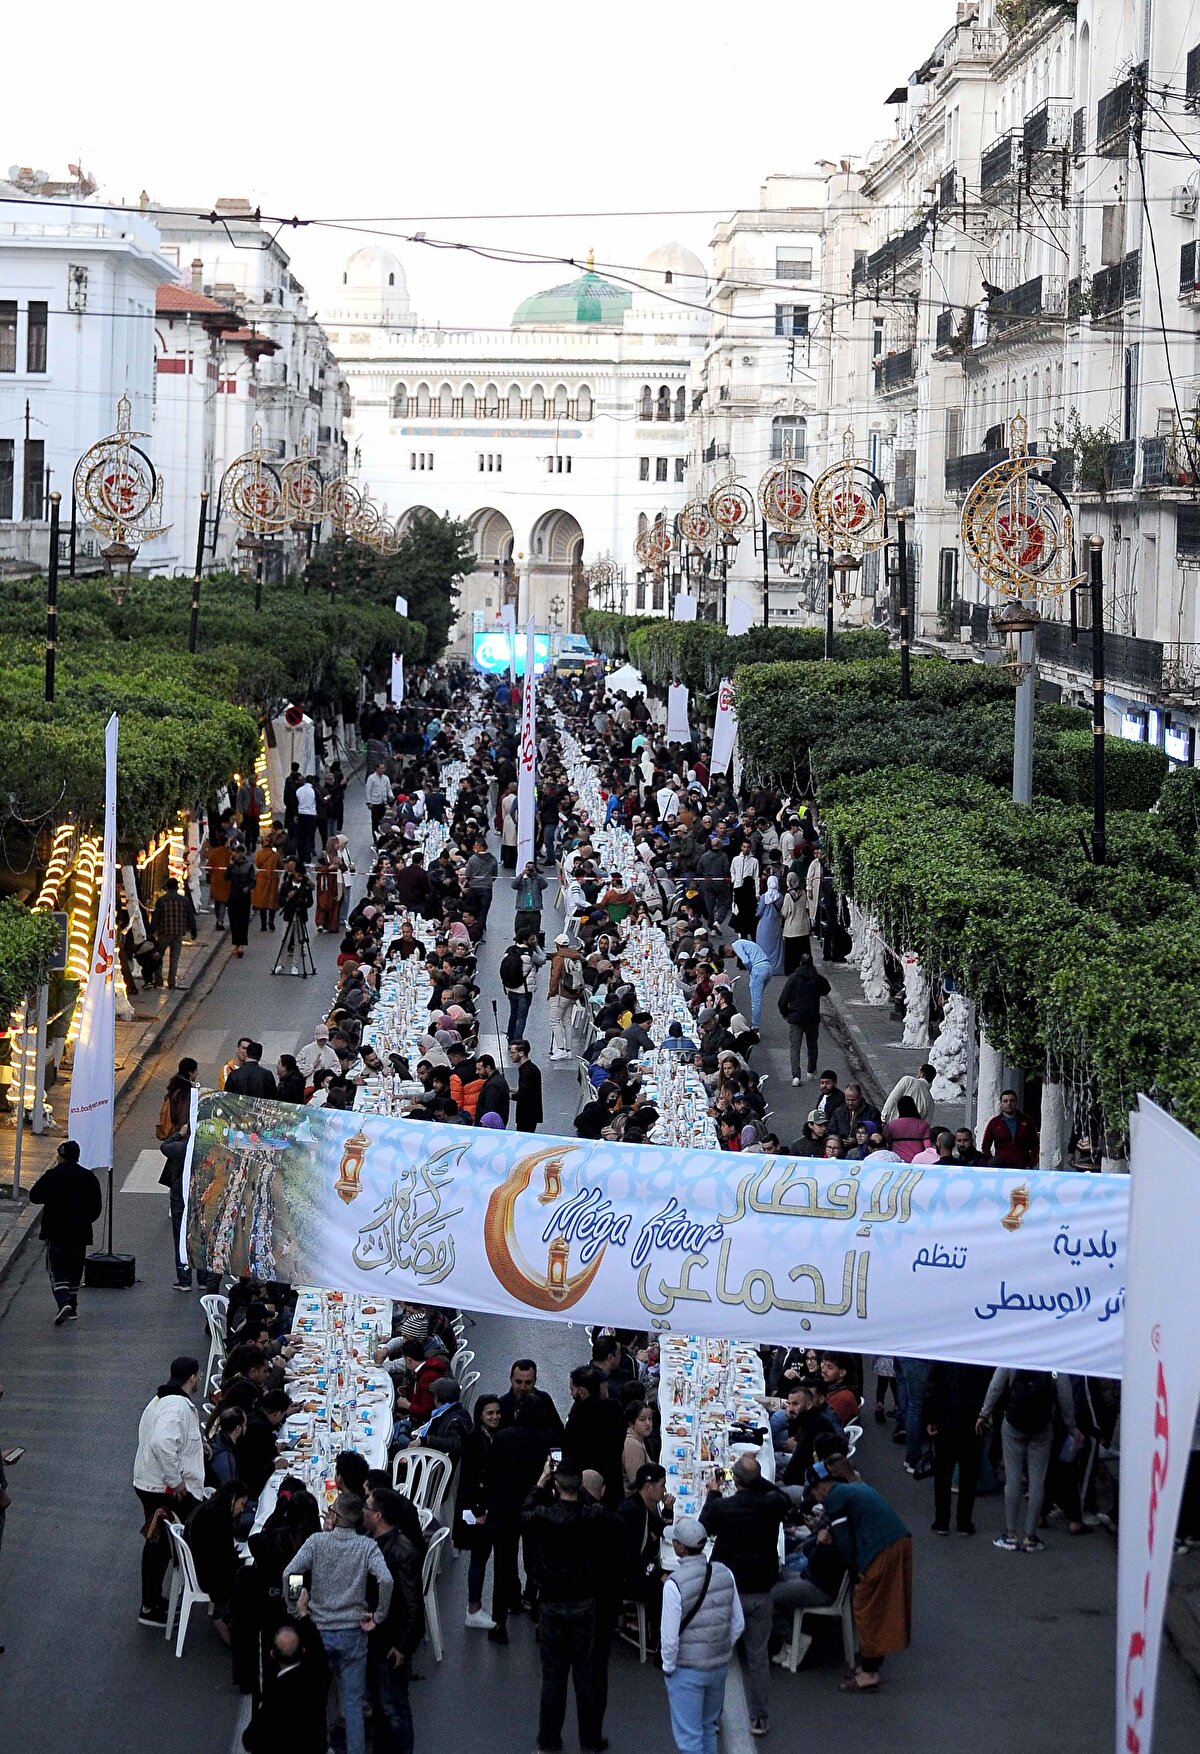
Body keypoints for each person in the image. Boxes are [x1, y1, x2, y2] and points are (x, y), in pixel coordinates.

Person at [285, 1491, 394, 1754]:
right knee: (353, 1704)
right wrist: (378, 1616)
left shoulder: (316, 1542)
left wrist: (295, 1607)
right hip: (353, 1633)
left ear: (334, 1515)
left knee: (317, 1701)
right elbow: (386, 1580)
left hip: (319, 1631)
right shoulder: (367, 1546)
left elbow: (291, 1572)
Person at [521, 1455, 608, 1754]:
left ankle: (549, 1741)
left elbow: (524, 1514)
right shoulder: (593, 1516)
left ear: (556, 1485)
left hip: (553, 1604)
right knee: (585, 1678)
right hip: (584, 1603)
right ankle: (590, 1742)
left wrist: (541, 1481)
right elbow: (605, 1515)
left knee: (553, 1677)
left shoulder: (545, 1517)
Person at [700, 1454, 791, 1736]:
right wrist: (755, 1478)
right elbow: (781, 1496)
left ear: (735, 1480)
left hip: (729, 1589)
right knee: (757, 1656)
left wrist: (713, 1492)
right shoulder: (772, 1505)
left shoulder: (724, 1507)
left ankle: (713, 1717)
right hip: (760, 1588)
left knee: (719, 1656)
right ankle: (759, 1717)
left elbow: (704, 1527)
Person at [808, 1457, 912, 1692]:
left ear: (822, 1486)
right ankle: (871, 1660)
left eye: (814, 1491)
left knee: (866, 1607)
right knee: (877, 1604)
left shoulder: (835, 1497)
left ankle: (869, 1672)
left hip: (883, 1548)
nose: (815, 1497)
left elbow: (844, 1542)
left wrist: (854, 1571)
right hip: (894, 1542)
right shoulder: (852, 1489)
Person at [660, 1515, 744, 1754]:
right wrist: (721, 1648)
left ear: (680, 1547)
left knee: (689, 1739)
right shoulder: (725, 1573)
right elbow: (738, 1623)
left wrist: (669, 1668)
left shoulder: (674, 1584)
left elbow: (669, 1639)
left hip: (687, 1670)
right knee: (708, 1728)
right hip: (718, 1667)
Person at [133, 1355, 205, 1625]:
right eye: (198, 1376)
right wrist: (176, 1482)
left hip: (150, 1483)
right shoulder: (177, 1406)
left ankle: (153, 1599)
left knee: (158, 1545)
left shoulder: (161, 1401)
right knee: (159, 1546)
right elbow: (162, 1443)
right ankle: (149, 1606)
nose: (199, 1380)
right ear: (192, 1378)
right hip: (161, 1489)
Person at [977, 1368, 1081, 1551]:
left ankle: (1011, 1534)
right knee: (1037, 1482)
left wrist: (984, 1413)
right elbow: (1065, 1395)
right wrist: (1071, 1426)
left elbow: (996, 1385)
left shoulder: (1016, 1356)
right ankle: (1030, 1537)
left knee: (1012, 1479)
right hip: (1041, 1427)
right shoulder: (1054, 1360)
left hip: (1013, 1423)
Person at [363, 1487, 424, 1754]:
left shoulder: (402, 1552)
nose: (363, 1511)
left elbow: (413, 1605)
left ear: (378, 1516)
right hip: (378, 1635)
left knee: (394, 1705)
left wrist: (403, 1646)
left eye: (367, 1507)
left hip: (390, 1640)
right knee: (381, 1702)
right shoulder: (374, 1542)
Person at [28, 1140, 103, 1324]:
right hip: (80, 1232)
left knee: (57, 1268)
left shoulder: (53, 1175)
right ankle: (73, 1307)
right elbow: (96, 1207)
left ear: (60, 1156)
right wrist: (84, 1220)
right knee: (75, 1269)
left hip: (56, 1231)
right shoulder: (88, 1177)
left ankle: (63, 1302)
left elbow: (34, 1196)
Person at [924, 1360, 995, 1536]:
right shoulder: (981, 1358)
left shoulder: (945, 1356)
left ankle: (942, 1521)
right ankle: (964, 1522)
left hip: (946, 1418)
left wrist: (930, 1417)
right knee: (969, 1475)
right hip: (973, 1421)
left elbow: (932, 1386)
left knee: (943, 1474)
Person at [242, 1611, 329, 1753]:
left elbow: (251, 1740)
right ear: (303, 1650)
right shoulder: (316, 1679)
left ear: (272, 1654)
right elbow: (318, 1652)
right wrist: (304, 1616)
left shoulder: (274, 1694)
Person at [455, 1394, 502, 1629]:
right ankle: (473, 1608)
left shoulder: (490, 1437)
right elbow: (472, 1479)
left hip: (484, 1508)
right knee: (479, 1557)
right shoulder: (475, 1441)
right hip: (477, 1511)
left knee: (481, 1556)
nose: (495, 1417)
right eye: (489, 1413)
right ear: (480, 1415)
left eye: (497, 1412)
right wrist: (479, 1511)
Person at [186, 1477, 249, 1640]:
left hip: (200, 1565)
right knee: (247, 1575)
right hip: (209, 1575)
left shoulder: (209, 1509)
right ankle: (225, 1616)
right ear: (233, 1498)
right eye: (241, 1504)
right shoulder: (219, 1517)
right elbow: (223, 1556)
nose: (242, 1509)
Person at [565, 1366, 626, 1506]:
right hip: (612, 1480)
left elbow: (569, 1449)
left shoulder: (577, 1416)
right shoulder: (615, 1409)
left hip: (585, 1485)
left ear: (582, 1391)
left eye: (572, 1389)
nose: (571, 1394)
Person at [775, 953, 831, 1087]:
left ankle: (796, 1075)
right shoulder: (816, 978)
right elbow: (826, 989)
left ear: (800, 963)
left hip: (796, 1018)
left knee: (795, 1047)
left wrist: (786, 1013)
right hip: (812, 1017)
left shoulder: (794, 978)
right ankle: (811, 1070)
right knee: (812, 1045)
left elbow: (783, 999)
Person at [498, 1359, 564, 1437]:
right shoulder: (501, 1404)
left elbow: (558, 1430)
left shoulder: (544, 1399)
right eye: (518, 1382)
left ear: (535, 1381)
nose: (523, 1387)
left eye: (528, 1382)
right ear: (511, 1379)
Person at [547, 934, 586, 1060]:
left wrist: (551, 992)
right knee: (567, 1022)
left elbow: (555, 977)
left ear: (557, 945)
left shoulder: (559, 958)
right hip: (572, 994)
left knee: (554, 1021)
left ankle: (560, 1049)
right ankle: (568, 1050)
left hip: (561, 994)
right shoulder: (575, 956)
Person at [980, 1088, 1040, 1168]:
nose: (1009, 1104)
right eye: (1005, 1101)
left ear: (1016, 1102)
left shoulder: (1027, 1121)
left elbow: (1035, 1145)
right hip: (1001, 1166)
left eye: (1012, 1101)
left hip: (1023, 1166)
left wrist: (1031, 1163)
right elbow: (985, 1146)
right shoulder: (994, 1123)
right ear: (1001, 1103)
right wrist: (992, 1161)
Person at [149, 877, 189, 988]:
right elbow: (189, 915)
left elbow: (156, 917)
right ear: (177, 887)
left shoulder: (162, 900)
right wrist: (193, 930)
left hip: (165, 932)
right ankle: (171, 981)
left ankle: (158, 979)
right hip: (178, 932)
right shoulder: (184, 900)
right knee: (174, 958)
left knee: (158, 956)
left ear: (167, 887)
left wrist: (151, 930)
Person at [731, 938, 772, 1030]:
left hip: (758, 969)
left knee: (755, 1001)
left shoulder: (735, 945)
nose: (733, 957)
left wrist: (750, 970)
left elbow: (745, 960)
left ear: (727, 950)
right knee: (757, 998)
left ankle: (755, 1026)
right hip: (768, 968)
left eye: (729, 956)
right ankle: (755, 1024)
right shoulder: (746, 943)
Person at [226, 843, 256, 957]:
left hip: (244, 896)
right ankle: (235, 943)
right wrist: (230, 865)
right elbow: (226, 877)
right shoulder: (232, 865)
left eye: (238, 852)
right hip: (233, 895)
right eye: (235, 852)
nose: (236, 854)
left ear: (242, 853)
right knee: (233, 920)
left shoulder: (249, 865)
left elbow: (253, 881)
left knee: (243, 921)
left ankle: (241, 944)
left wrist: (248, 888)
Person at [884, 1095, 931, 1162]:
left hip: (897, 1161)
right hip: (917, 1161)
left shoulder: (891, 1125)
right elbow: (927, 1146)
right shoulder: (923, 1125)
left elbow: (885, 1142)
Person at [779, 871, 811, 972]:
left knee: (791, 952)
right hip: (803, 926)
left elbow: (784, 912)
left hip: (791, 928)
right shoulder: (803, 893)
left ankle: (791, 970)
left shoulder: (788, 896)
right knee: (803, 950)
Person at [622, 1400, 656, 1495]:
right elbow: (637, 1482)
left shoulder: (639, 1439)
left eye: (650, 1418)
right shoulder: (632, 1445)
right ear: (631, 1424)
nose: (648, 1423)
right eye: (642, 1419)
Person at [510, 1038, 543, 1133]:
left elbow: (524, 1095)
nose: (511, 1055)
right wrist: (511, 1089)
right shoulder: (529, 1068)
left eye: (513, 1052)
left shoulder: (527, 1072)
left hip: (527, 1115)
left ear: (521, 1053)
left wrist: (508, 1096)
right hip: (529, 1114)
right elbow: (528, 1090)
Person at [253, 837, 282, 933]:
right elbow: (280, 866)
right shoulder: (276, 855)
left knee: (262, 902)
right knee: (272, 902)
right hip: (272, 879)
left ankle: (263, 925)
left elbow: (258, 865)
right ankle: (271, 920)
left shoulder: (259, 854)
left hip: (261, 879)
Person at [476, 1053, 510, 1127]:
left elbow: (490, 1109)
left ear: (488, 1068)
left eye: (479, 1069)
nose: (477, 1072)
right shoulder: (498, 1080)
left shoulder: (492, 1085)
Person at [366, 763, 393, 840]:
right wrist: (369, 802)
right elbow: (368, 790)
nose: (383, 770)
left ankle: (383, 836)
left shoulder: (386, 778)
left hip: (383, 803)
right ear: (377, 769)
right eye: (381, 768)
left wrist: (391, 797)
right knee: (375, 821)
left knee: (383, 820)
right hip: (375, 803)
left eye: (383, 768)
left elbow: (388, 789)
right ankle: (375, 838)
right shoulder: (371, 778)